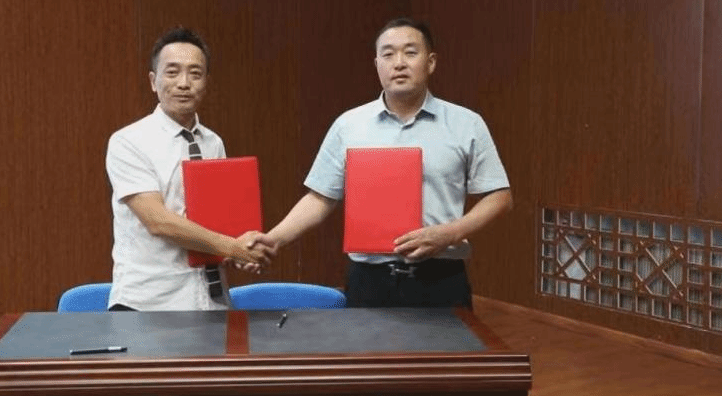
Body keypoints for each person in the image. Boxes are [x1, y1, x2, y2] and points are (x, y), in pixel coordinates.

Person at [251, 17, 512, 309]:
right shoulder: (349, 125)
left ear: (431, 62)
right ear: (377, 64)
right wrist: (274, 239)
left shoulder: (466, 124)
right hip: (369, 280)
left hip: (441, 278)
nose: (398, 63)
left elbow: (500, 196)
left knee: (448, 343)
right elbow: (320, 198)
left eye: (410, 52)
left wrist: (449, 234)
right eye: (388, 54)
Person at [105, 26, 273, 311]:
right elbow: (158, 221)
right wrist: (233, 247)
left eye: (195, 73)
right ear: (153, 81)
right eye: (172, 72)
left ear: (206, 82)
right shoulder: (128, 141)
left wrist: (241, 252)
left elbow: (219, 223)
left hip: (211, 302)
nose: (184, 83)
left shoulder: (213, 143)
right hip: (149, 306)